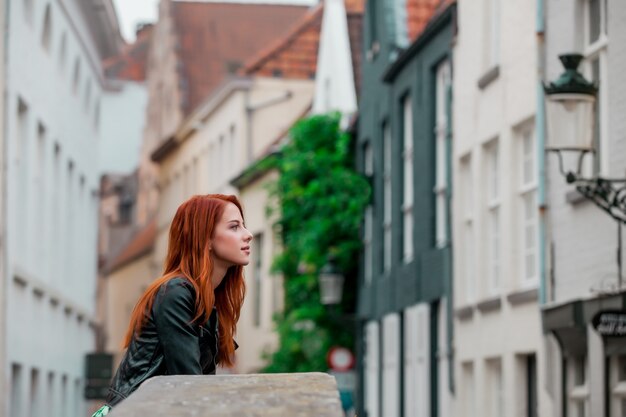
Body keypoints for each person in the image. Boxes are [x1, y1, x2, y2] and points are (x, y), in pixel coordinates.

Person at [92, 194, 252, 416]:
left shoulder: (208, 300)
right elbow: (190, 383)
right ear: (205, 239)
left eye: (244, 226)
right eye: (234, 227)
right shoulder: (176, 293)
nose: (248, 235)